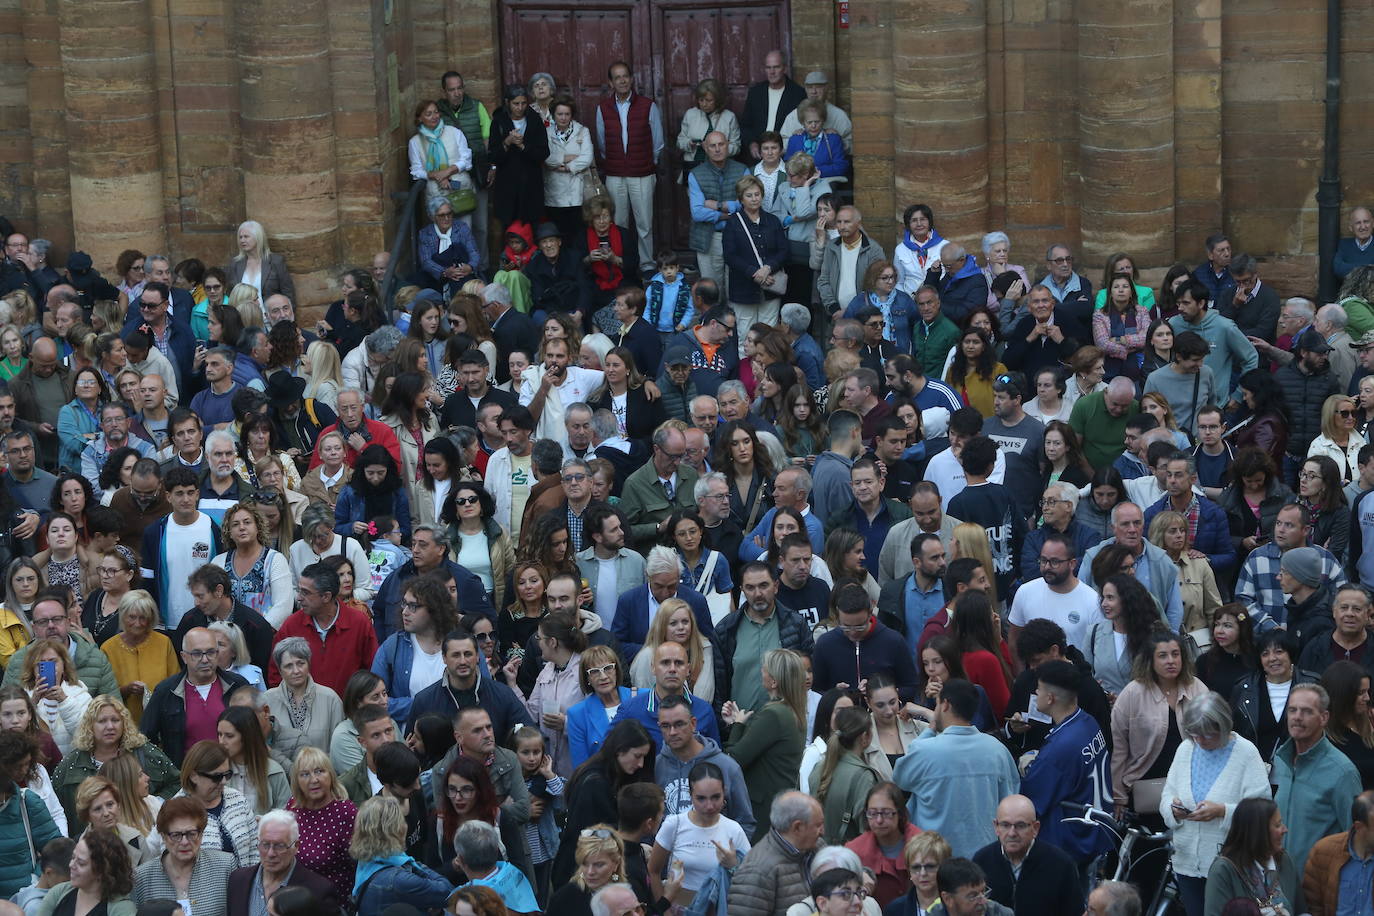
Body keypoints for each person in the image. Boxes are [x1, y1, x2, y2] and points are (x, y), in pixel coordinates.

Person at [891, 678, 1016, 857]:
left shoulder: (925, 749)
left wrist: (930, 729)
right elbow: (1009, 798)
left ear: (945, 705)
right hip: (985, 855)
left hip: (934, 857)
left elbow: (900, 779)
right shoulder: (998, 750)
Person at [1017, 661, 1112, 867]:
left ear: (1050, 698)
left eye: (1039, 689)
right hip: (1095, 834)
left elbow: (1031, 802)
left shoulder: (1059, 749)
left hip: (1071, 846)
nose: (1035, 692)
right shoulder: (1088, 722)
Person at [1272, 683, 1362, 875]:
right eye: (1292, 710)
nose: (1297, 717)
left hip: (1319, 888)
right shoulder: (1283, 760)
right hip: (1280, 885)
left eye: (1306, 711)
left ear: (1324, 718)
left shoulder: (1343, 772)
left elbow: (1358, 841)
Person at [52, 695, 178, 831]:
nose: (110, 726)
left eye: (115, 720)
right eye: (102, 721)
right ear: (90, 726)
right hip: (92, 842)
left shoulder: (146, 752)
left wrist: (155, 804)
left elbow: (178, 783)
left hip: (144, 837)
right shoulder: (71, 763)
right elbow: (55, 808)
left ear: (124, 723)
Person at [551, 720, 653, 886]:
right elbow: (597, 833)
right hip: (580, 875)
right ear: (620, 750)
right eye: (637, 756)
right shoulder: (594, 784)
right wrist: (636, 847)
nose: (641, 764)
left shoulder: (604, 775)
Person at [267, 563, 378, 697]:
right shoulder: (292, 625)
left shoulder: (359, 623)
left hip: (348, 712)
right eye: (299, 590)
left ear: (326, 596)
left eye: (305, 592)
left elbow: (372, 672)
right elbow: (275, 673)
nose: (299, 598)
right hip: (301, 713)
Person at [971, 794, 1083, 916]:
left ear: (1035, 828)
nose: (1012, 833)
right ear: (996, 827)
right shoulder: (981, 861)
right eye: (1005, 825)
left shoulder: (1061, 865)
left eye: (1020, 826)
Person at [130, 797, 236, 916]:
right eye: (176, 835)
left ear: (201, 834)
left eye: (191, 834)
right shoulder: (142, 877)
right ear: (163, 837)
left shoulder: (225, 866)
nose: (184, 842)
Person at [726, 791, 825, 916]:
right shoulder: (758, 870)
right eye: (818, 825)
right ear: (797, 827)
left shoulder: (818, 847)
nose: (823, 831)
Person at [225, 809, 340, 916]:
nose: (271, 853)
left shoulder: (319, 891)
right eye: (265, 844)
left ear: (296, 846)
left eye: (279, 846)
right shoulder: (238, 880)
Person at [349, 796, 450, 916]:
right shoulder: (398, 880)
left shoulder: (367, 861)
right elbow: (448, 892)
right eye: (402, 820)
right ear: (395, 829)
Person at [1203, 797, 1305, 916]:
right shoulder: (1223, 870)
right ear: (1258, 832)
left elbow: (1301, 910)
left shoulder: (1283, 859)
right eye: (1277, 825)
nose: (1285, 830)